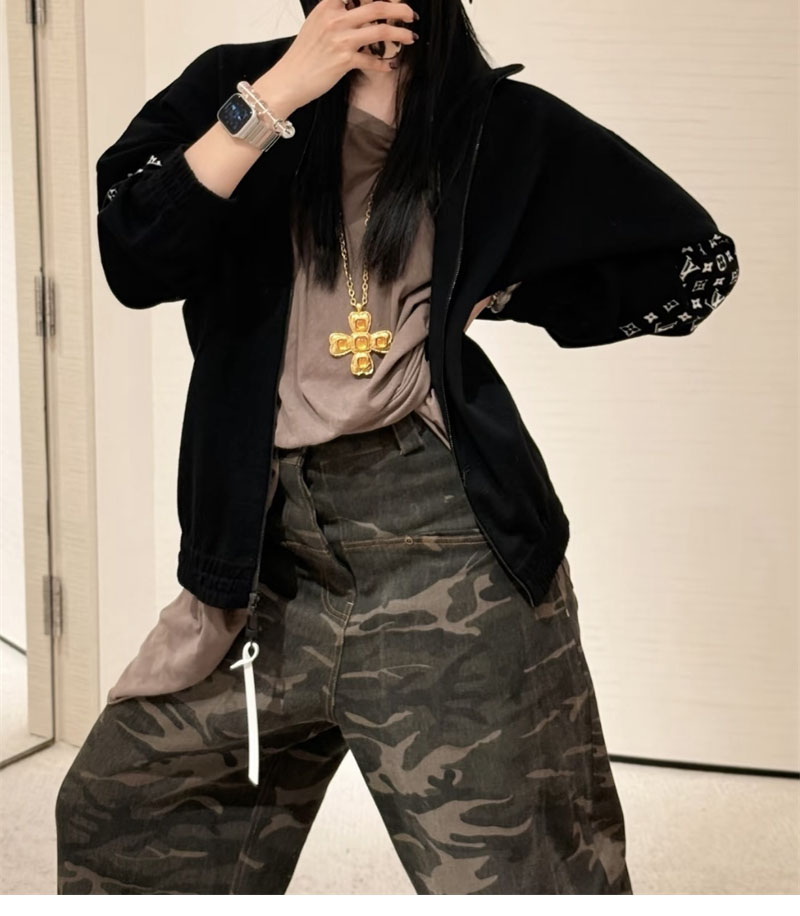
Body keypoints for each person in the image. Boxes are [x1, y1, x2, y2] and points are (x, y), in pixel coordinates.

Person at [56, 0, 740, 895]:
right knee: (125, 820)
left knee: (523, 879)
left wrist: (496, 288)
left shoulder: (493, 122)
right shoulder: (236, 82)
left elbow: (696, 265)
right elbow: (133, 254)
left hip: (448, 546)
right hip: (261, 560)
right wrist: (277, 95)